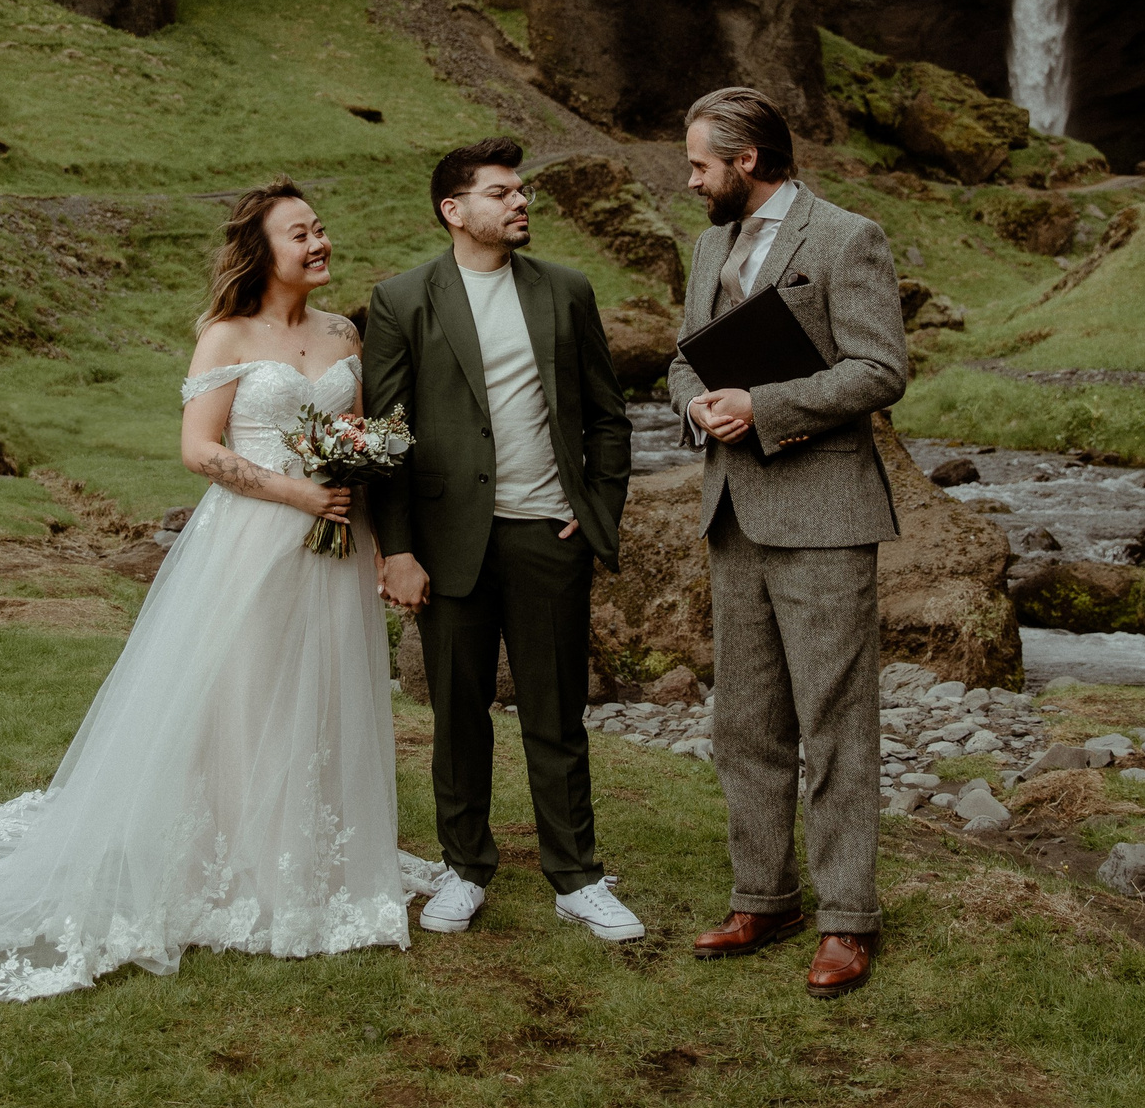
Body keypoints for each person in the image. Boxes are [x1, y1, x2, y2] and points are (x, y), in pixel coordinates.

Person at [0, 181, 440, 998]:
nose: (320, 241)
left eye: (321, 227)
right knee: (245, 696)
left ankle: (321, 859)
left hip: (331, 545)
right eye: (301, 232)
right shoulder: (225, 336)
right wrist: (296, 494)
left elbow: (351, 436)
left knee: (323, 695)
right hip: (253, 541)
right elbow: (197, 450)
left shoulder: (341, 332)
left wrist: (361, 518)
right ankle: (239, 867)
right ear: (263, 250)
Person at [363, 138, 641, 941]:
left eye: (522, 192)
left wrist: (596, 511)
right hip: (447, 543)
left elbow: (607, 416)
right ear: (455, 211)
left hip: (548, 535)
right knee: (459, 713)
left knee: (557, 715)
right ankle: (463, 869)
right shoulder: (401, 300)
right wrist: (399, 549)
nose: (521, 203)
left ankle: (577, 877)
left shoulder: (566, 290)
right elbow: (388, 434)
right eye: (501, 192)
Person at [667, 87, 908, 998]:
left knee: (836, 723)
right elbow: (686, 356)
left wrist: (764, 405)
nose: (690, 181)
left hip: (826, 518)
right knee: (744, 722)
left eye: (699, 165)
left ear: (748, 163)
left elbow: (881, 369)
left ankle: (848, 919)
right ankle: (763, 897)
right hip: (732, 513)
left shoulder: (849, 238)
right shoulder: (707, 245)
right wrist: (696, 403)